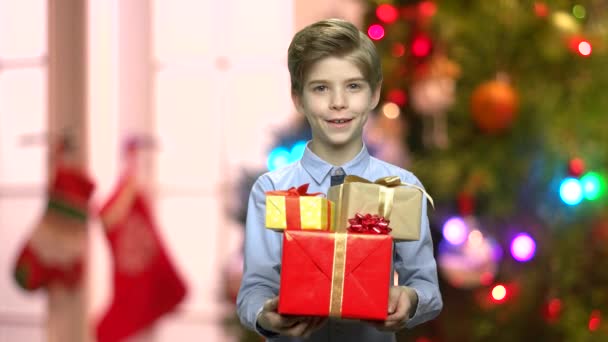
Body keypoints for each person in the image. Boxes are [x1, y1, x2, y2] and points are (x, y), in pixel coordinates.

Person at [236, 18, 442, 341]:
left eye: (353, 86)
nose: (338, 102)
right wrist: (266, 313)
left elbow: (426, 286)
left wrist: (411, 299)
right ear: (298, 98)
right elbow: (254, 287)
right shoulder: (271, 189)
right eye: (321, 88)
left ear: (374, 95)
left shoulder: (401, 188)